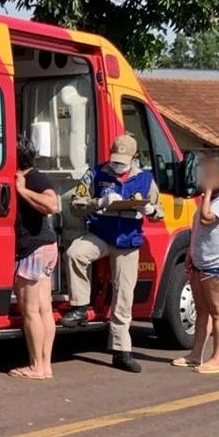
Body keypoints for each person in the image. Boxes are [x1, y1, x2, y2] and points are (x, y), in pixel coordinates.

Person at [60, 134, 163, 373]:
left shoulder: (145, 179)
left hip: (128, 241)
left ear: (134, 158)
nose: (118, 165)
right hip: (101, 234)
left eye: (123, 161)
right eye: (115, 160)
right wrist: (99, 202)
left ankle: (121, 351)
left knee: (124, 295)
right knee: (75, 253)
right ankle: (80, 306)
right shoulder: (95, 174)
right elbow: (75, 205)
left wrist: (150, 209)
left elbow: (160, 212)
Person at [173, 156, 219, 374]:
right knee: (202, 311)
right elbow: (198, 230)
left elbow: (206, 219)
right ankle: (195, 355)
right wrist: (190, 254)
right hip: (200, 262)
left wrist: (208, 191)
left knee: (217, 312)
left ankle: (217, 359)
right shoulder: (211, 199)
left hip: (218, 264)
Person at [9, 136, 61, 380]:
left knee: (31, 310)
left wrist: (22, 190)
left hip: (33, 249)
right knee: (43, 309)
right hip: (46, 247)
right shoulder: (32, 175)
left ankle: (36, 366)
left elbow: (52, 204)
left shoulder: (33, 177)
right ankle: (45, 366)